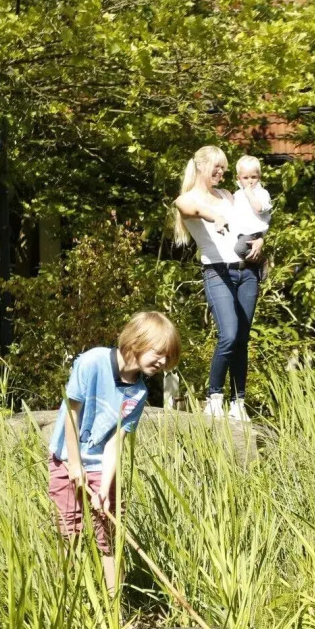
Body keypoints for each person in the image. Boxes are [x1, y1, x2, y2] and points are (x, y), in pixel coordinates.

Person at [49, 311, 179, 593]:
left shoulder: (138, 393)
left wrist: (104, 489)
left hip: (101, 467)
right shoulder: (93, 361)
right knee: (69, 530)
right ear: (137, 341)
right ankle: (64, 599)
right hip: (65, 459)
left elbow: (114, 442)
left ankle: (113, 605)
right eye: (159, 353)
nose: (163, 362)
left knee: (108, 533)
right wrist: (74, 464)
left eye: (167, 358)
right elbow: (72, 415)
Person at [172, 145, 263, 421]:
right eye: (217, 167)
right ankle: (214, 397)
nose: (222, 172)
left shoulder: (227, 195)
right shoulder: (187, 199)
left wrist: (259, 239)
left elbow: (250, 222)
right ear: (202, 166)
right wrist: (215, 216)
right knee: (229, 335)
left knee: (243, 339)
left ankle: (238, 402)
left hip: (246, 271)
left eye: (224, 168)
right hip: (217, 272)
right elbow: (191, 208)